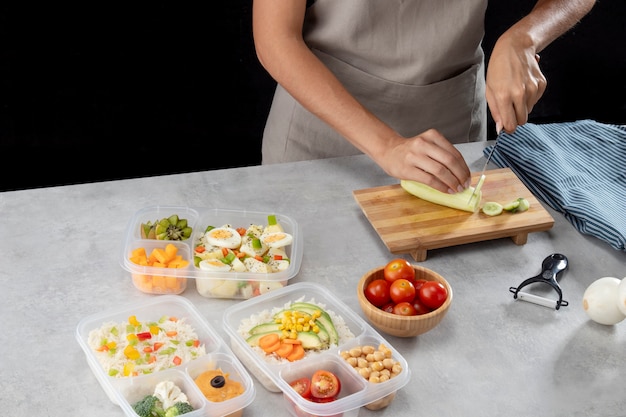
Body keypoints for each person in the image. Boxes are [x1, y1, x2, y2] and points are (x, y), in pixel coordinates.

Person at [252, 0, 595, 194]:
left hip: (451, 136)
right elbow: (275, 38)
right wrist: (387, 145)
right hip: (320, 143)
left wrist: (525, 37)